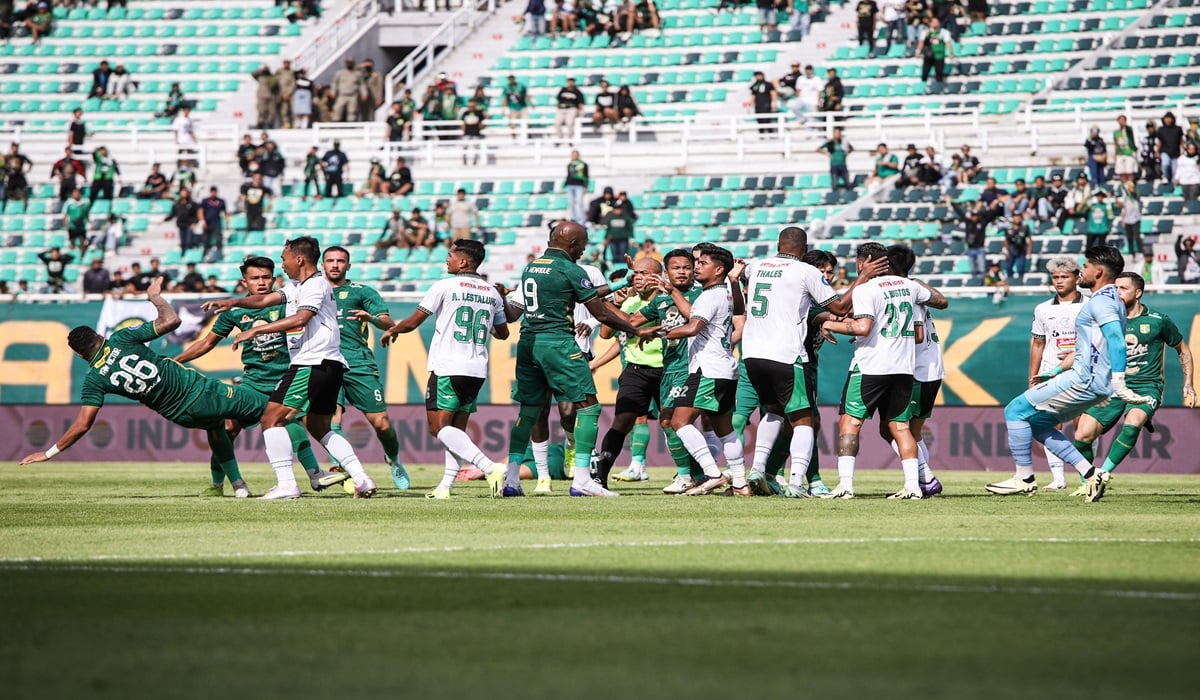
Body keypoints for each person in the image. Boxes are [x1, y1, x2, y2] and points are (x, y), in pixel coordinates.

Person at [18, 276, 263, 499]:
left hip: (181, 415)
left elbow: (83, 425)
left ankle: (237, 485)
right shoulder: (122, 338)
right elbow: (172, 320)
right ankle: (290, 479)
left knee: (216, 428)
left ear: (81, 356)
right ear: (100, 336)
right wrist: (155, 297)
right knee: (275, 408)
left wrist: (49, 453)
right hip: (201, 392)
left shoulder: (94, 380)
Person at [200, 236, 378, 500]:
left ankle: (286, 484)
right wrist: (233, 302)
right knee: (320, 427)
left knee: (271, 419)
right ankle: (362, 479)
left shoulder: (316, 285)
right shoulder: (298, 286)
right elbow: (263, 301)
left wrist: (257, 330)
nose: (282, 265)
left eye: (284, 259)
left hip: (311, 362)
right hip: (330, 365)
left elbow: (301, 318)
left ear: (299, 259)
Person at [503, 221, 656, 498]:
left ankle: (511, 480)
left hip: (528, 343)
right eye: (583, 245)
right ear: (572, 244)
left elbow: (573, 291)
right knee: (589, 408)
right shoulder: (569, 268)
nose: (584, 251)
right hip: (559, 343)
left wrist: (621, 283)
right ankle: (583, 480)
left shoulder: (532, 267)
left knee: (529, 411)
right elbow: (601, 314)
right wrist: (636, 329)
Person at [986, 246, 1150, 503]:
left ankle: (1024, 478)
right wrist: (1053, 370)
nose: (1081, 270)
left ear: (1098, 271)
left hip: (1084, 379)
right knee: (1036, 424)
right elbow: (1092, 345)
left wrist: (1119, 381)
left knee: (1014, 411)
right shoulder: (1112, 300)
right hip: (1091, 380)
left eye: (1084, 266)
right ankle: (1090, 473)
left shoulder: (1102, 301)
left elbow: (1117, 341)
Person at [176, 257, 344, 496]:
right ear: (244, 281)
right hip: (253, 382)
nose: (262, 283)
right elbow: (207, 342)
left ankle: (319, 473)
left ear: (275, 278)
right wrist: (176, 361)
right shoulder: (235, 312)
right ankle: (223, 483)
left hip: (288, 376)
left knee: (294, 423)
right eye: (255, 278)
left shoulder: (290, 301)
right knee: (228, 426)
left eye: (266, 277)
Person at [741, 228, 879, 498]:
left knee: (774, 411)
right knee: (805, 419)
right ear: (804, 250)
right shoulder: (805, 271)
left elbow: (740, 275)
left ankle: (758, 469)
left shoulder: (756, 267)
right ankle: (796, 483)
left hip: (752, 354)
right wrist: (862, 278)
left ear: (778, 244)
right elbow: (838, 307)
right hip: (787, 355)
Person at [379, 239, 510, 498]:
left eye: (450, 255)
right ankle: (445, 487)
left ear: (463, 261)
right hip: (476, 369)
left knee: (438, 429)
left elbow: (414, 322)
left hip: (448, 366)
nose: (446, 260)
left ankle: (488, 466)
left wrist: (394, 329)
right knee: (456, 432)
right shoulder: (491, 292)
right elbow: (503, 334)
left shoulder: (444, 286)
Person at [822, 243, 947, 499]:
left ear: (864, 261)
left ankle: (845, 485)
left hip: (871, 366)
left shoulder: (866, 289)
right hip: (904, 368)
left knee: (850, 423)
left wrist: (830, 324)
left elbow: (863, 328)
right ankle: (913, 486)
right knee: (900, 427)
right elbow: (939, 301)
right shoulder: (910, 286)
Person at [1067, 272, 1194, 496]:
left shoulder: (1158, 320)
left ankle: (1103, 473)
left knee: (1133, 421)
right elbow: (1087, 351)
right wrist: (1060, 368)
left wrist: (1189, 383)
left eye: (1123, 288)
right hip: (1112, 386)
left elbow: (1182, 350)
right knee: (1082, 435)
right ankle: (1090, 482)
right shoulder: (1106, 320)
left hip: (1147, 386)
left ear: (1138, 293)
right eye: (1114, 288)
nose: (1117, 293)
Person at [659, 245, 749, 495]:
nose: (696, 266)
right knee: (725, 430)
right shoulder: (727, 292)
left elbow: (692, 327)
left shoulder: (710, 295)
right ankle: (741, 484)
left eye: (703, 263)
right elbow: (695, 314)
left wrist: (660, 333)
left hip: (707, 369)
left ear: (719, 269)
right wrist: (674, 292)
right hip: (726, 369)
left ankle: (712, 474)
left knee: (679, 421)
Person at [321, 246, 409, 491]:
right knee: (331, 420)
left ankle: (393, 459)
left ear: (348, 266)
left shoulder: (362, 292)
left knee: (382, 424)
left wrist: (371, 319)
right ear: (322, 264)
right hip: (326, 362)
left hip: (358, 361)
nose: (335, 265)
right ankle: (345, 471)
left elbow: (390, 325)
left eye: (340, 261)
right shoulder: (312, 291)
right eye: (330, 261)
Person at [589, 257, 665, 486]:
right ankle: (600, 477)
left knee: (673, 423)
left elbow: (633, 322)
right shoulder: (630, 302)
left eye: (643, 273)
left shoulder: (667, 300)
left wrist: (609, 305)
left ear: (657, 276)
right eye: (636, 273)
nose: (637, 278)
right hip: (636, 371)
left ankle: (691, 475)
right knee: (622, 422)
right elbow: (605, 334)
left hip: (667, 369)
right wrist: (619, 305)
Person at [1027, 256, 1085, 490]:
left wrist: (1075, 351)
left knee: (1084, 426)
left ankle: (1085, 475)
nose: (1059, 281)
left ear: (1077, 278)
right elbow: (1038, 343)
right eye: (1055, 277)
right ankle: (1058, 478)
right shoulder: (1042, 309)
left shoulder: (1089, 304)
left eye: (1065, 277)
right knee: (1049, 425)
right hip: (1051, 373)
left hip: (1082, 372)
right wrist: (1032, 377)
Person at [165, 188, 199, 253]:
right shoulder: (177, 204)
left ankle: (189, 253)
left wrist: (195, 222)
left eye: (185, 193)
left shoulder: (192, 204)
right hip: (181, 224)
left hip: (189, 224)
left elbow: (196, 214)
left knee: (188, 240)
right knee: (182, 241)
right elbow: (173, 214)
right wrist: (165, 219)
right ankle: (183, 253)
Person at [1003, 212, 1033, 283]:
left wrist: (1029, 251)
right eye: (1015, 217)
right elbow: (1006, 240)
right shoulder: (1009, 228)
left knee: (1020, 267)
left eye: (1018, 217)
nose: (1017, 219)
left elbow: (1030, 240)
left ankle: (1020, 281)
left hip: (1021, 250)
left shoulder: (1025, 227)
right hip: (1011, 250)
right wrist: (1005, 251)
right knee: (1008, 267)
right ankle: (1010, 281)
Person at [330, 58, 363, 123]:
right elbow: (334, 83)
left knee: (352, 111)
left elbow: (362, 84)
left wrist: (364, 93)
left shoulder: (357, 74)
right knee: (337, 109)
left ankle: (351, 125)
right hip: (342, 95)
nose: (349, 64)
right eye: (348, 62)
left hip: (353, 95)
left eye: (351, 62)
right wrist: (333, 91)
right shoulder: (340, 73)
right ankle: (335, 124)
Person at [199, 187, 229, 258]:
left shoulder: (220, 201)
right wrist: (203, 221)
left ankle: (219, 253)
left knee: (218, 239)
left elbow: (225, 212)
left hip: (216, 222)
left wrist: (227, 222)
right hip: (207, 223)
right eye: (212, 192)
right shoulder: (205, 201)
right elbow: (201, 211)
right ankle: (205, 254)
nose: (213, 193)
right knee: (206, 240)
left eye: (214, 192)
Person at [1156, 111, 1184, 185]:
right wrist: (1157, 151)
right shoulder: (1161, 129)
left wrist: (1183, 150)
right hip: (1165, 151)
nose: (1168, 120)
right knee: (1165, 164)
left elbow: (1181, 140)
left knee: (1175, 170)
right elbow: (1159, 142)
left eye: (1169, 118)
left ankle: (1173, 185)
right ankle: (1166, 178)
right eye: (1166, 118)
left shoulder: (1178, 129)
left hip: (1175, 152)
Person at [554, 77, 584, 143]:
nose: (570, 83)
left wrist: (580, 111)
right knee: (557, 123)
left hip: (572, 108)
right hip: (562, 108)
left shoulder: (577, 91)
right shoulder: (563, 90)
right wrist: (558, 106)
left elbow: (581, 103)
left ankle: (570, 138)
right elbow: (559, 99)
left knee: (569, 122)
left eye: (572, 81)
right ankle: (560, 137)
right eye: (569, 81)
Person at [2, 142, 32, 209]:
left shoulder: (21, 157)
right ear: (11, 148)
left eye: (16, 148)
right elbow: (3, 165)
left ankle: (25, 207)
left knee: (23, 192)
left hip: (19, 176)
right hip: (11, 177)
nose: (15, 149)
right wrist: (6, 172)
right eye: (14, 148)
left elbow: (30, 163)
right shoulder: (7, 157)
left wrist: (26, 171)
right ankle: (10, 207)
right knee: (10, 193)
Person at [62, 188, 91, 255]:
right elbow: (65, 214)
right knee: (72, 241)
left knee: (82, 241)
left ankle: (82, 256)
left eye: (78, 193)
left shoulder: (84, 203)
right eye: (75, 192)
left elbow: (87, 214)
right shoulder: (69, 203)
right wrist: (65, 224)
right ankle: (72, 255)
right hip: (72, 225)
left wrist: (90, 223)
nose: (76, 194)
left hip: (81, 225)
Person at [749, 71, 777, 136]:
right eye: (756, 76)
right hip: (758, 105)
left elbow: (773, 93)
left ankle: (770, 134)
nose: (758, 77)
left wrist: (774, 103)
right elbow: (753, 95)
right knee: (759, 120)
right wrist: (750, 105)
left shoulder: (768, 84)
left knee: (767, 119)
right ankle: (761, 134)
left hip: (766, 104)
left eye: (759, 75)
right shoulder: (755, 85)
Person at [564, 150, 588, 225]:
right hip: (570, 185)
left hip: (579, 185)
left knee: (580, 202)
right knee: (571, 203)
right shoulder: (570, 164)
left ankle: (582, 219)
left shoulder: (583, 164)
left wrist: (585, 186)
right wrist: (565, 185)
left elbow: (586, 176)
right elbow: (568, 175)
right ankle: (574, 218)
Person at [460, 99, 486, 165]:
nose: (471, 106)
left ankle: (475, 161)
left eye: (473, 104)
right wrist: (463, 132)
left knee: (476, 147)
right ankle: (464, 161)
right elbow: (463, 123)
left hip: (475, 132)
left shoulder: (478, 113)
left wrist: (480, 127)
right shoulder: (466, 113)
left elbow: (483, 121)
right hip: (467, 132)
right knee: (465, 147)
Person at [1113, 115, 1138, 184]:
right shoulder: (1116, 132)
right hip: (1120, 153)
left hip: (1129, 153)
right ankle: (1125, 189)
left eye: (1123, 120)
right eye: (1120, 120)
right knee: (1121, 173)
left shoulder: (1128, 130)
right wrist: (1115, 154)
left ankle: (1131, 189)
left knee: (1129, 172)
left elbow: (1130, 132)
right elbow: (1116, 143)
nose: (1121, 122)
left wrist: (1125, 126)